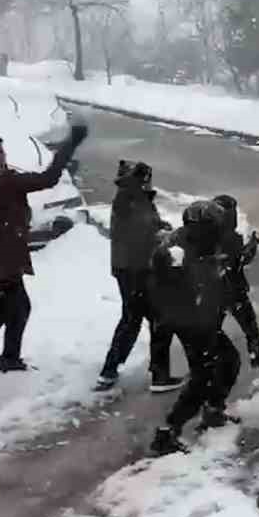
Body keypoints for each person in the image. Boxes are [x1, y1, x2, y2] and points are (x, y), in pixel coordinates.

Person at [0, 122, 89, 405]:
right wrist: (70, 144)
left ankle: (9, 358)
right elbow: (48, 178)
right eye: (0, 150)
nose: (4, 153)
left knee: (17, 309)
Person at [148, 200, 242, 455]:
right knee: (202, 376)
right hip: (190, 322)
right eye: (215, 227)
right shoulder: (176, 252)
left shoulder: (202, 244)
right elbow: (168, 286)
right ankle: (167, 432)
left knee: (229, 361)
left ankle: (213, 410)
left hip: (203, 319)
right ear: (202, 228)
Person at [95, 161, 181, 393]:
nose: (151, 182)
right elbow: (136, 232)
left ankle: (113, 371)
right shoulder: (128, 198)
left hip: (132, 268)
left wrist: (159, 226)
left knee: (138, 320)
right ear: (141, 180)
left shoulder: (135, 198)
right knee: (151, 319)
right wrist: (160, 235)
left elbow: (142, 225)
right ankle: (156, 375)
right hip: (135, 270)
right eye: (147, 178)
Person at [213, 193, 259, 368]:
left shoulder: (207, 234)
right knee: (249, 326)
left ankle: (212, 356)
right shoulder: (231, 238)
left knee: (214, 325)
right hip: (233, 288)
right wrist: (254, 242)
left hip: (214, 288)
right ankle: (256, 355)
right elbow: (242, 259)